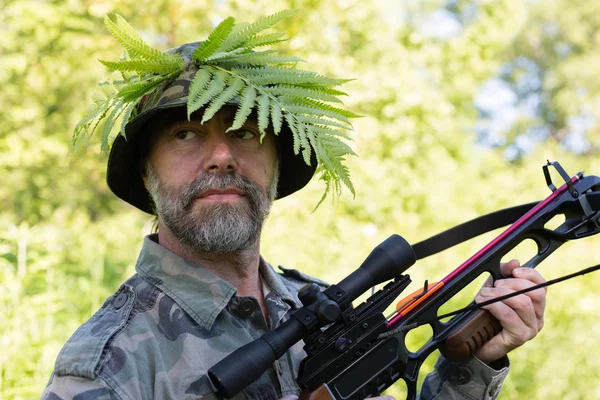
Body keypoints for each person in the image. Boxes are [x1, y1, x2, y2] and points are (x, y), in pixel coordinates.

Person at [42, 13, 547, 400]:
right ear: (147, 174)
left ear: (277, 165)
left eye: (243, 131)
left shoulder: (326, 307)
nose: (221, 156)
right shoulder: (108, 365)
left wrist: (470, 362)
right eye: (186, 133)